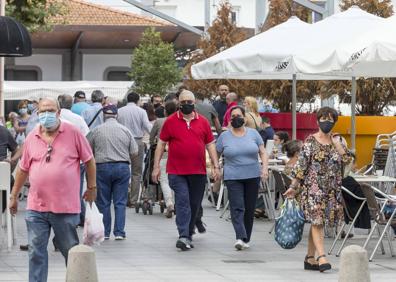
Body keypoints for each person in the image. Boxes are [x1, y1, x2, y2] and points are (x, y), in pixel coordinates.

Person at [9, 97, 97, 282]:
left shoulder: (73, 132)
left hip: (65, 208)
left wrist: (92, 187)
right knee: (36, 253)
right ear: (37, 113)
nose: (46, 114)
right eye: (42, 111)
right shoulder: (33, 136)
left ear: (58, 112)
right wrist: (14, 195)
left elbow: (89, 161)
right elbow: (23, 169)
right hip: (36, 207)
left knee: (70, 251)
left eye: (50, 110)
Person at [284, 107, 353, 273]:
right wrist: (293, 186)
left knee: (319, 223)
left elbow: (348, 162)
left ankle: (309, 258)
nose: (326, 122)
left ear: (335, 121)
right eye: (323, 118)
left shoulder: (339, 141)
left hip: (331, 191)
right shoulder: (310, 141)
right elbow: (301, 167)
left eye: (330, 119)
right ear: (317, 121)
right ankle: (322, 257)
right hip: (313, 190)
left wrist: (338, 145)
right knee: (317, 222)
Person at [152, 90, 220, 251]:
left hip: (198, 171)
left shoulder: (203, 122)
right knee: (183, 201)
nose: (187, 105)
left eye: (189, 101)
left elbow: (210, 144)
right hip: (177, 171)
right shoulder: (170, 121)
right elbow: (161, 144)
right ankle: (184, 235)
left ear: (194, 102)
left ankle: (189, 231)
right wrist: (156, 167)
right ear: (178, 103)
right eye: (183, 102)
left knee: (194, 203)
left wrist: (216, 166)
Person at [216, 106, 269, 250]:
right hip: (233, 176)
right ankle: (240, 236)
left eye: (238, 115)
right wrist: (216, 168)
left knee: (249, 207)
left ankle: (246, 238)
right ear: (229, 119)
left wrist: (264, 168)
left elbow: (263, 152)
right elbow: (217, 153)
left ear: (245, 118)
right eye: (232, 116)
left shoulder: (253, 134)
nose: (235, 118)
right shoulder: (224, 136)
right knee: (237, 206)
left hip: (252, 175)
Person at [87, 104, 138, 240]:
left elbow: (87, 149)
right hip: (122, 167)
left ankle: (106, 232)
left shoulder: (96, 130)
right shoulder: (125, 130)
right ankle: (119, 232)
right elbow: (134, 151)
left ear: (104, 115)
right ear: (116, 115)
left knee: (103, 202)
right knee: (120, 202)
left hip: (102, 167)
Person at [58, 94, 90, 226]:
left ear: (59, 104)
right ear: (72, 104)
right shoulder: (78, 118)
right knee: (77, 189)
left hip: (59, 160)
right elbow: (87, 136)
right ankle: (79, 217)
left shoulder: (56, 118)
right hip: (78, 160)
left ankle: (68, 217)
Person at [118, 91, 153, 207]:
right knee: (136, 172)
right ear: (138, 101)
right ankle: (133, 200)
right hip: (137, 141)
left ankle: (121, 198)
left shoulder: (120, 111)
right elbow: (148, 127)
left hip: (122, 141)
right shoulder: (141, 111)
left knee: (122, 169)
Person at [149, 101, 178, 218]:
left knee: (164, 181)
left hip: (163, 155)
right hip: (177, 155)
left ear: (165, 111)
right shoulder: (179, 121)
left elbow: (151, 138)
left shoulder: (159, 121)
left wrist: (153, 145)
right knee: (177, 181)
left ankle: (169, 203)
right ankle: (175, 203)